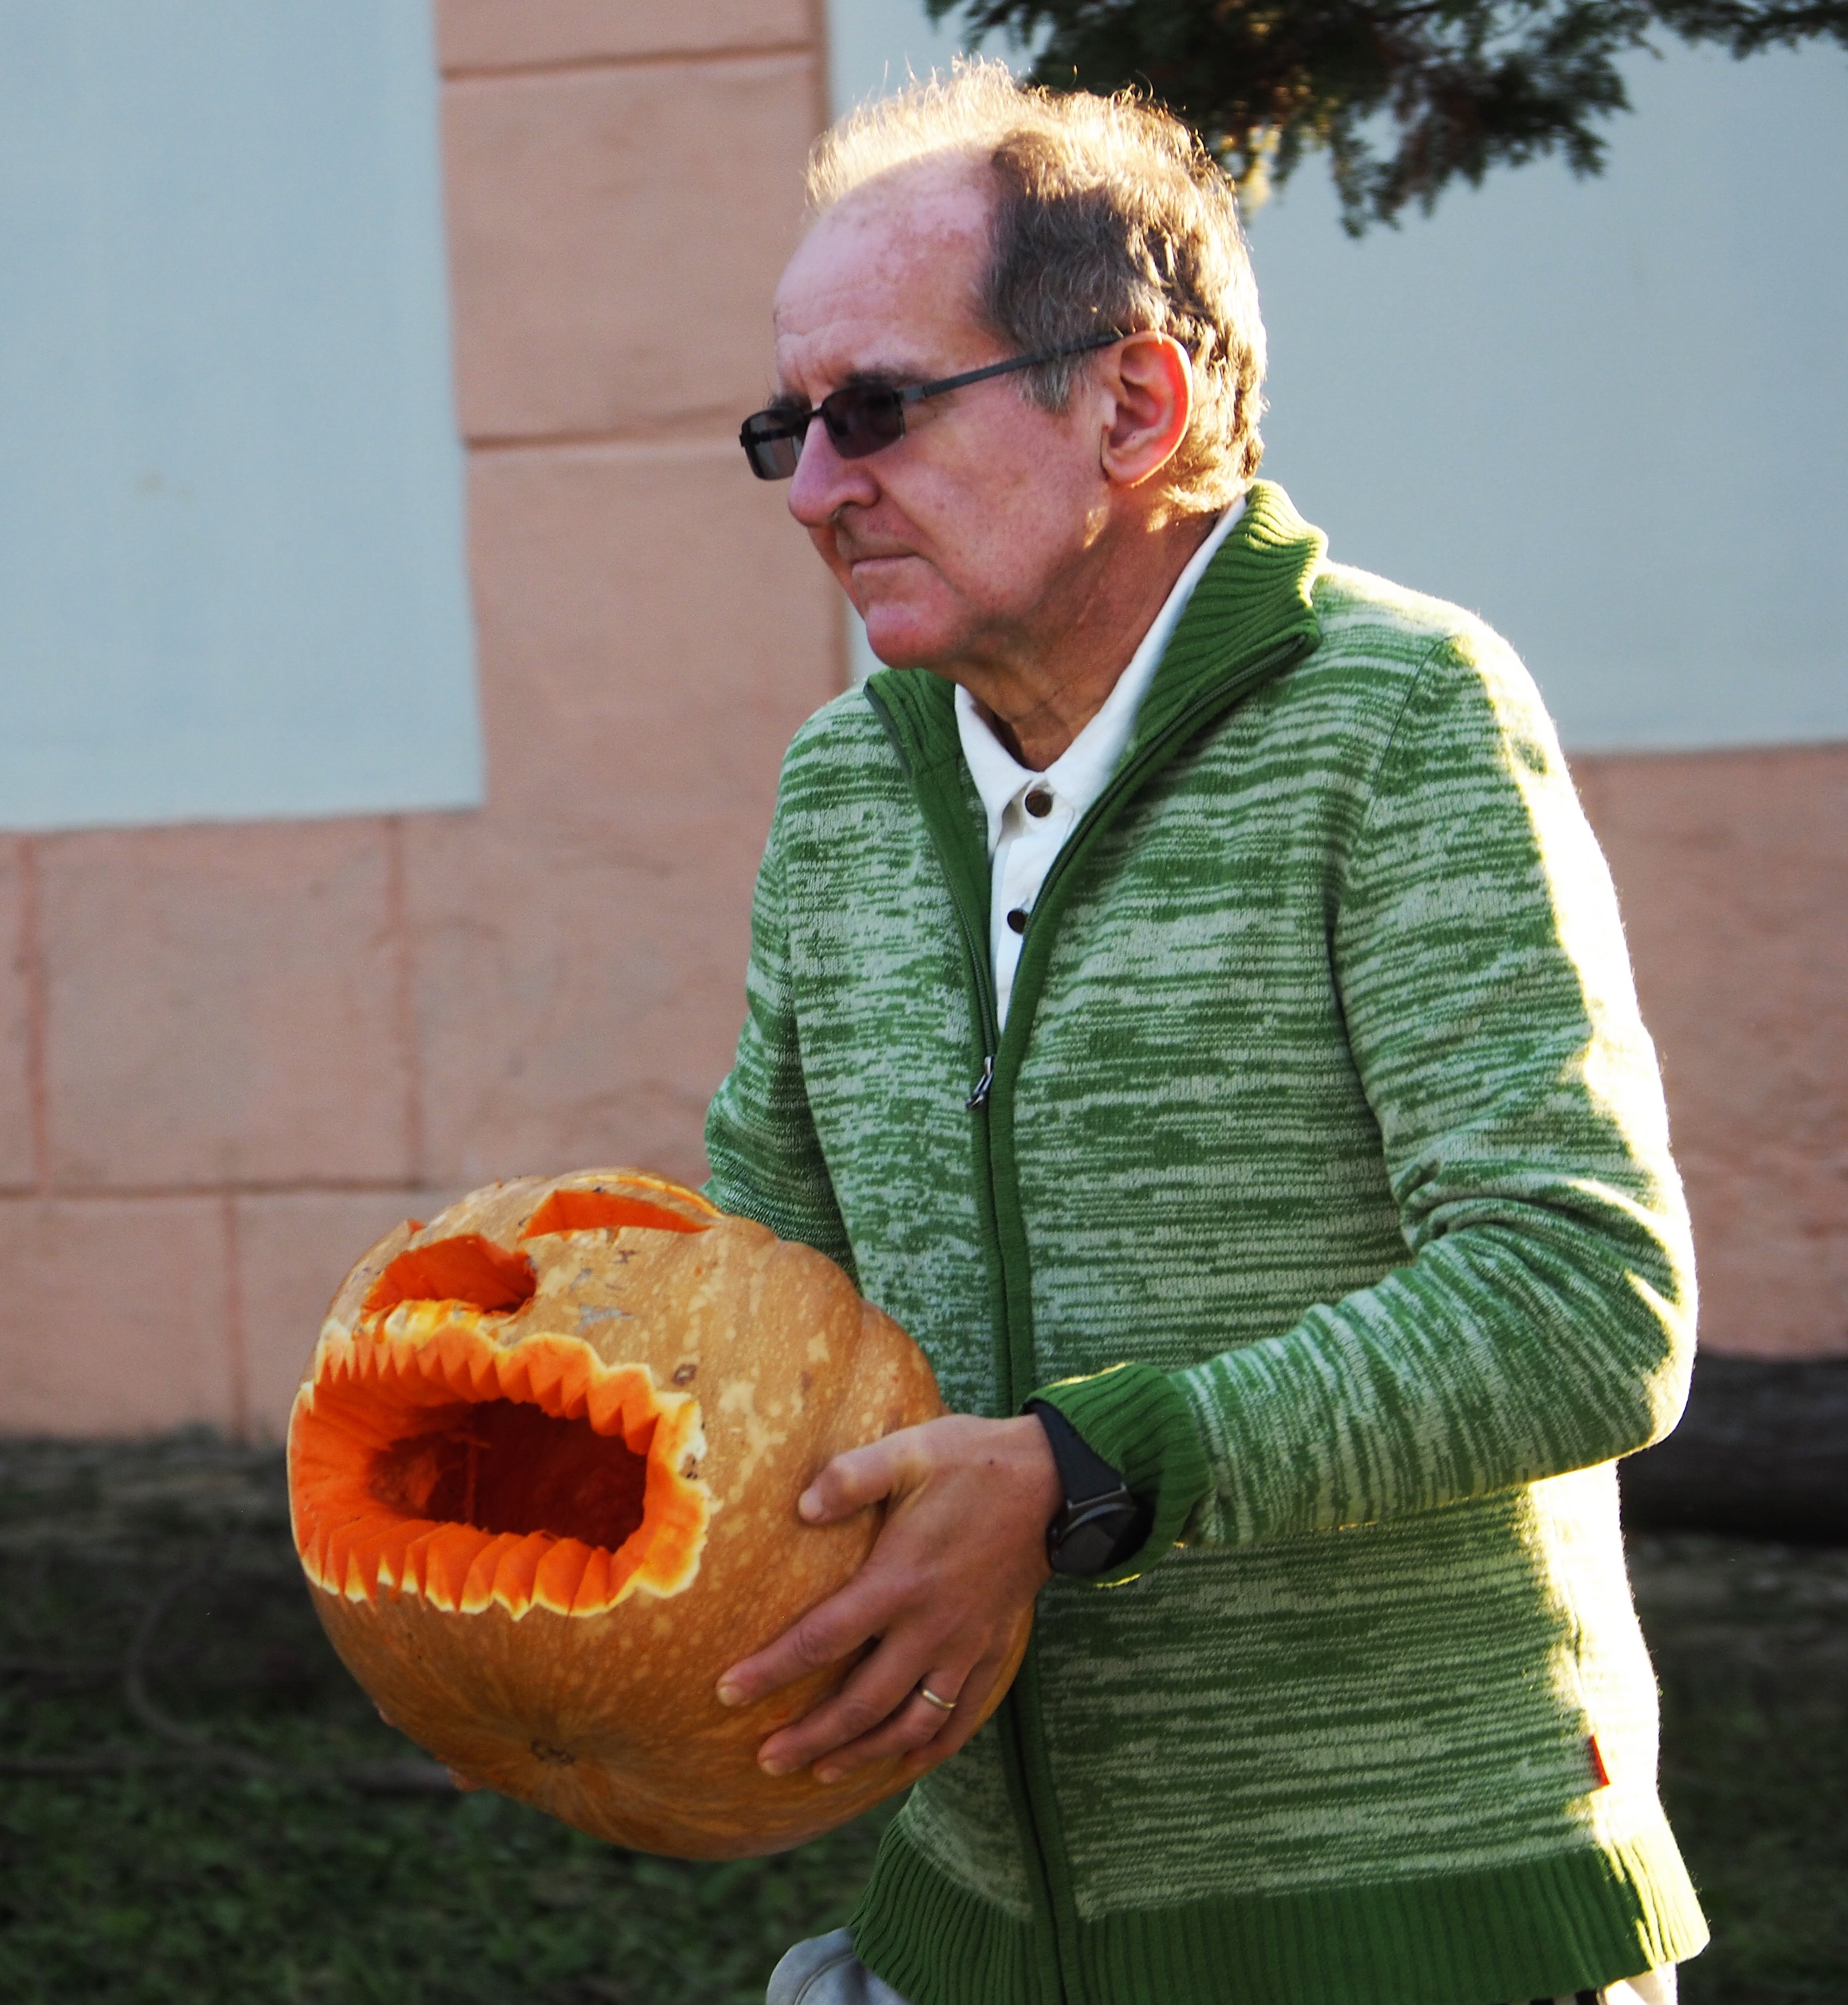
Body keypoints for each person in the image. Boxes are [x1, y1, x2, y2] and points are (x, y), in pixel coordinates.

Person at [700, 62, 1702, 2005]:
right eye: (786, 429)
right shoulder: (840, 792)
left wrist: (1087, 1472)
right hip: (963, 1940)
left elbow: (1584, 1301)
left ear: (1134, 407)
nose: (815, 489)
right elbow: (767, 1296)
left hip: (1407, 1942)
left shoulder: (1402, 720)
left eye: (875, 412)